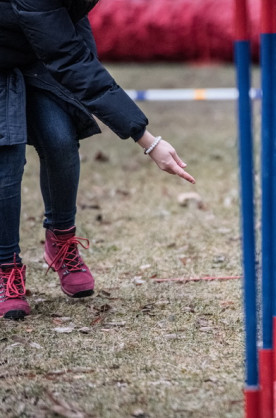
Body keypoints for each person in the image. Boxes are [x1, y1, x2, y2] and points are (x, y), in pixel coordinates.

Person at [0, 0, 196, 320]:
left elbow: (76, 57)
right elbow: (69, 59)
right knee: (6, 161)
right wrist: (147, 140)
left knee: (61, 141)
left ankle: (61, 240)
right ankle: (5, 267)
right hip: (22, 47)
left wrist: (142, 136)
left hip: (42, 48)